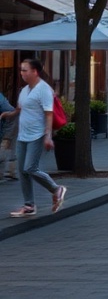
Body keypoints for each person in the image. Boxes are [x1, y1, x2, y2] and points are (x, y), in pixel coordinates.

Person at [5, 59, 67, 217]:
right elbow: (20, 108)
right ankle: (29, 206)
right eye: (21, 70)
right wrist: (9, 114)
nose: (22, 73)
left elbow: (49, 114)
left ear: (35, 72)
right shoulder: (24, 90)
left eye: (25, 70)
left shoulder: (43, 89)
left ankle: (56, 189)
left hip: (37, 135)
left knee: (30, 168)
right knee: (22, 171)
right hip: (22, 136)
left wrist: (48, 136)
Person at [0, 92, 17, 181]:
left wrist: (6, 133)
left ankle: (9, 171)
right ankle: (10, 171)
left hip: (9, 123)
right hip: (9, 122)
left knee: (5, 145)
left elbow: (10, 111)